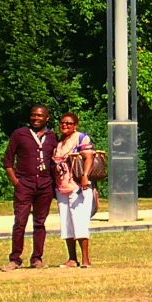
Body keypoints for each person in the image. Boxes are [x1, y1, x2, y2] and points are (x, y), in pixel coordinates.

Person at [2, 104, 58, 269]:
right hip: (24, 183)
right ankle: (15, 259)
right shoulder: (20, 134)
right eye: (33, 115)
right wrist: (16, 182)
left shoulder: (53, 137)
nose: (36, 118)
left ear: (47, 118)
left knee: (40, 223)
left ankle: (37, 258)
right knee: (20, 222)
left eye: (40, 116)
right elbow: (8, 161)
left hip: (45, 184)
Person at [52, 112, 96, 268]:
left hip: (79, 187)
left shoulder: (81, 138)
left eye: (69, 123)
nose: (65, 125)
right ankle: (72, 258)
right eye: (63, 122)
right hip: (62, 186)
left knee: (79, 221)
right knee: (66, 223)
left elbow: (89, 157)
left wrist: (85, 175)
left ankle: (85, 259)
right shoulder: (59, 142)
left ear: (75, 125)